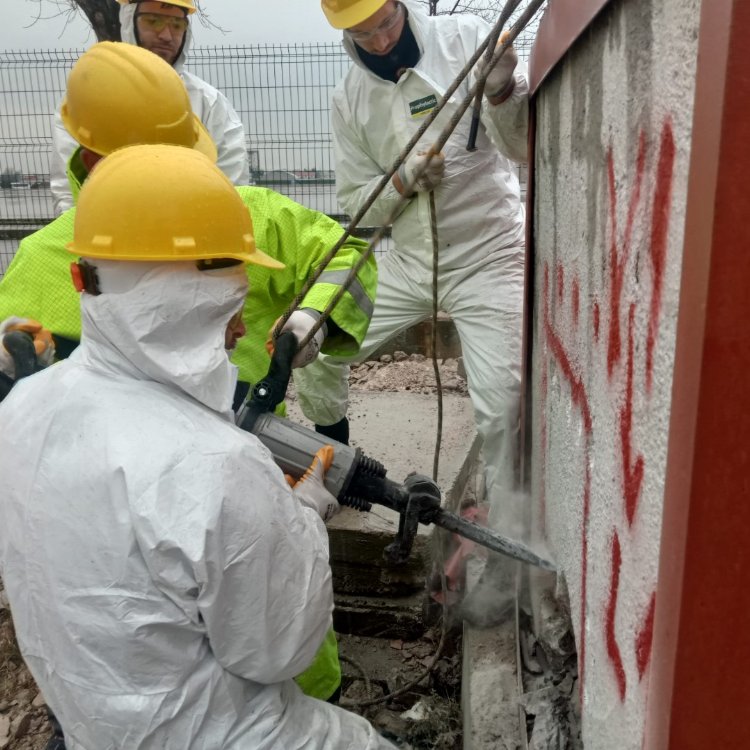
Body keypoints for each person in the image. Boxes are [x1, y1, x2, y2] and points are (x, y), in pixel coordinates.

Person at [0, 43, 376, 740]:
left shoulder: (238, 214)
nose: (237, 320)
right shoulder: (215, 466)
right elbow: (277, 637)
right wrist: (293, 523)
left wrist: (311, 317)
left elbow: (345, 253)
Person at [296, 0, 528, 505]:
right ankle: (332, 462)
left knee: (503, 405)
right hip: (409, 259)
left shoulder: (465, 41)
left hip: (490, 252)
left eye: (386, 24)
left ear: (400, 4)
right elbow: (359, 206)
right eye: (363, 34)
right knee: (315, 338)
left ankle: (502, 513)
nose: (380, 42)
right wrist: (400, 181)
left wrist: (503, 90)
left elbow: (522, 148)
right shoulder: (350, 100)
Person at [49, 0, 249, 214]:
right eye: (153, 21)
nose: (166, 35)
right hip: (105, 237)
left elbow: (232, 187)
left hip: (192, 236)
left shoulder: (209, 102)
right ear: (128, 20)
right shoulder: (88, 98)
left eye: (177, 25)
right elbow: (68, 189)